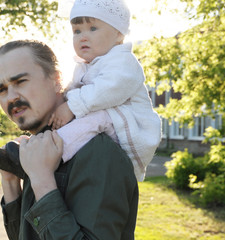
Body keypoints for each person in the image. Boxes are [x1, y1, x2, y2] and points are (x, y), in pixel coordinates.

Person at [0, 39, 138, 239]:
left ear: (56, 79)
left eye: (20, 82)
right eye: (2, 90)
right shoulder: (40, 153)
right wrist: (11, 183)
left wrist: (42, 180)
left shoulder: (97, 152)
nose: (11, 97)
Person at [48, 0, 162, 181]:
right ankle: (42, 142)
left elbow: (107, 90)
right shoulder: (83, 66)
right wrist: (61, 102)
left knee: (95, 117)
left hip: (131, 124)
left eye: (93, 28)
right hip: (110, 122)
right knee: (69, 118)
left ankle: (50, 154)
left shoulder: (124, 62)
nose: (83, 37)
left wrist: (71, 106)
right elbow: (73, 89)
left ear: (118, 34)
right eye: (77, 31)